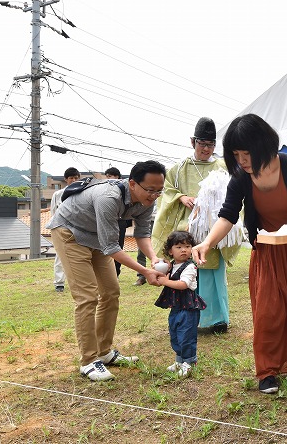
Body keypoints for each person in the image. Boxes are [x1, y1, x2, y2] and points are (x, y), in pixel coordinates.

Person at [191, 114, 287, 394]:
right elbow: (227, 216)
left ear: (263, 146)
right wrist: (207, 243)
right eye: (236, 154)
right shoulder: (240, 178)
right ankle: (268, 371)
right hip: (268, 252)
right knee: (269, 312)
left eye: (246, 152)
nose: (242, 160)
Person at [47, 160, 167, 381]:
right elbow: (112, 247)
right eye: (150, 190)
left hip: (95, 237)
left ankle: (104, 352)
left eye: (159, 191)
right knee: (87, 296)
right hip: (69, 232)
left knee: (111, 291)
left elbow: (141, 234)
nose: (154, 195)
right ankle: (88, 361)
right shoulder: (108, 198)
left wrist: (153, 258)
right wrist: (144, 271)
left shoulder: (147, 202)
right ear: (132, 184)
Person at [152, 117, 238, 333]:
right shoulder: (180, 168)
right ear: (193, 142)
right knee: (189, 272)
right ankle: (193, 319)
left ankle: (218, 319)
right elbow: (167, 189)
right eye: (202, 144)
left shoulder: (222, 165)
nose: (206, 149)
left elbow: (235, 191)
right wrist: (181, 197)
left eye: (211, 145)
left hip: (214, 226)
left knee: (214, 273)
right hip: (188, 228)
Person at [154, 231, 205, 378]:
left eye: (188, 246)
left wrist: (165, 282)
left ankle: (189, 362)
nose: (184, 250)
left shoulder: (190, 267)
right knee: (175, 333)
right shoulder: (173, 266)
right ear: (170, 251)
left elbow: (183, 284)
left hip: (189, 308)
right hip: (176, 307)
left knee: (186, 335)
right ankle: (179, 360)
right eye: (178, 247)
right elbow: (159, 270)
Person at [49, 167, 80, 292]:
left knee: (80, 256)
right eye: (71, 178)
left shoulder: (83, 192)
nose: (74, 180)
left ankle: (78, 282)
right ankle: (59, 283)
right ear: (66, 179)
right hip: (62, 228)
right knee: (60, 256)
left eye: (76, 178)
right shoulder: (58, 194)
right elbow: (53, 213)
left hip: (79, 228)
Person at [104, 167, 132, 278]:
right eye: (108, 176)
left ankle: (116, 273)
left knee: (118, 247)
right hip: (107, 222)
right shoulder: (106, 190)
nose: (109, 179)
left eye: (111, 176)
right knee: (105, 249)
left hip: (120, 223)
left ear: (118, 177)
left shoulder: (125, 190)